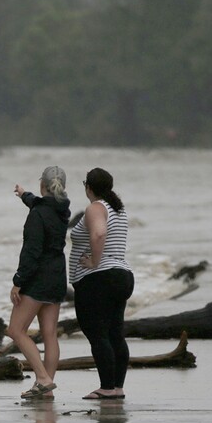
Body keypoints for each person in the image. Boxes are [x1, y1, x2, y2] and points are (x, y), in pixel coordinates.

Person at [71, 167, 134, 400]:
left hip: (100, 279)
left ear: (88, 187)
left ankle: (106, 387)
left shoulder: (95, 207)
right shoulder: (118, 209)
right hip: (122, 276)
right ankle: (116, 387)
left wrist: (94, 262)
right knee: (115, 332)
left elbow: (98, 234)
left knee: (97, 333)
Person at [8, 165, 71, 400]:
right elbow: (39, 202)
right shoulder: (62, 210)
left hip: (38, 278)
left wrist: (18, 281)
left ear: (42, 184)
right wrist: (24, 195)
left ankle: (42, 379)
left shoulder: (38, 214)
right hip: (57, 276)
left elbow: (32, 251)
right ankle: (46, 388)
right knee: (50, 333)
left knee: (16, 329)